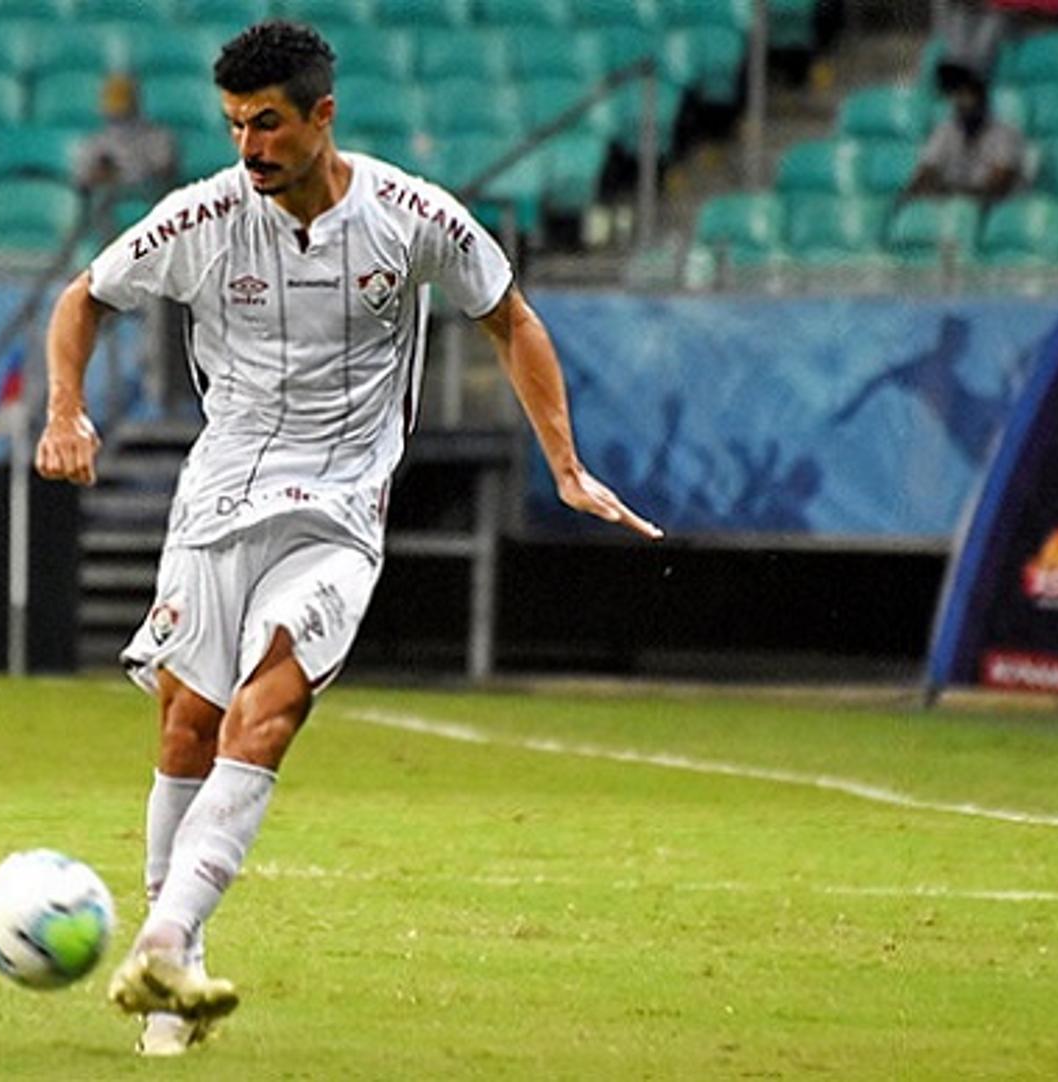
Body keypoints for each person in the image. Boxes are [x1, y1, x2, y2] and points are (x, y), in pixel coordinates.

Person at [34, 21, 662, 1058]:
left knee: (270, 699)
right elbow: (81, 299)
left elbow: (510, 316)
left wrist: (563, 461)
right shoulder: (201, 217)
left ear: (324, 116)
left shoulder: (413, 217)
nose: (249, 147)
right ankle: (169, 972)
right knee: (188, 726)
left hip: (335, 511)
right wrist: (66, 408)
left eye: (269, 123)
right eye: (236, 125)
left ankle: (164, 935)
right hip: (215, 502)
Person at [905, 63, 1026, 204]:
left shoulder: (1005, 133)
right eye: (958, 97)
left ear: (983, 100)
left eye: (969, 97)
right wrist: (916, 190)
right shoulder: (945, 131)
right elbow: (925, 171)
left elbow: (998, 186)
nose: (963, 103)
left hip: (994, 211)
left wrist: (951, 193)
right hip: (956, 209)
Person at [71, 72, 179, 206]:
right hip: (107, 211)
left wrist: (126, 172)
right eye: (114, 113)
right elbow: (81, 181)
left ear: (136, 106)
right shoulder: (96, 143)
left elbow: (166, 173)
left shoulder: (157, 138)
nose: (118, 117)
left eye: (124, 112)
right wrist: (99, 174)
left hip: (148, 207)